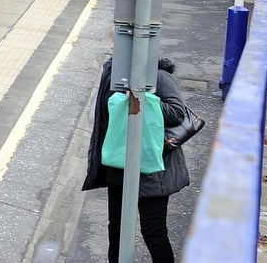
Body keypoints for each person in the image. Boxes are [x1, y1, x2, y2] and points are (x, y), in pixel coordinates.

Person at [82, 57, 191, 263]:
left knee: (153, 232)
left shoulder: (158, 75)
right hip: (119, 164)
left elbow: (177, 113)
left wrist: (144, 98)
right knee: (117, 229)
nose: (116, 48)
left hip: (152, 170)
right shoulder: (113, 73)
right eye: (115, 43)